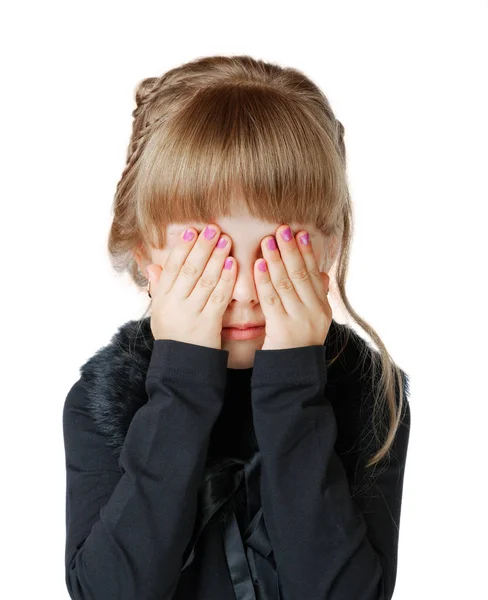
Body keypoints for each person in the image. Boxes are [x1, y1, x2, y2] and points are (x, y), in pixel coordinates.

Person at [62, 55, 411, 600]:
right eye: (212, 256)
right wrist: (181, 387)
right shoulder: (104, 399)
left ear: (329, 249)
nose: (247, 290)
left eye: (277, 253)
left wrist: (295, 388)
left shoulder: (368, 395)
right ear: (144, 255)